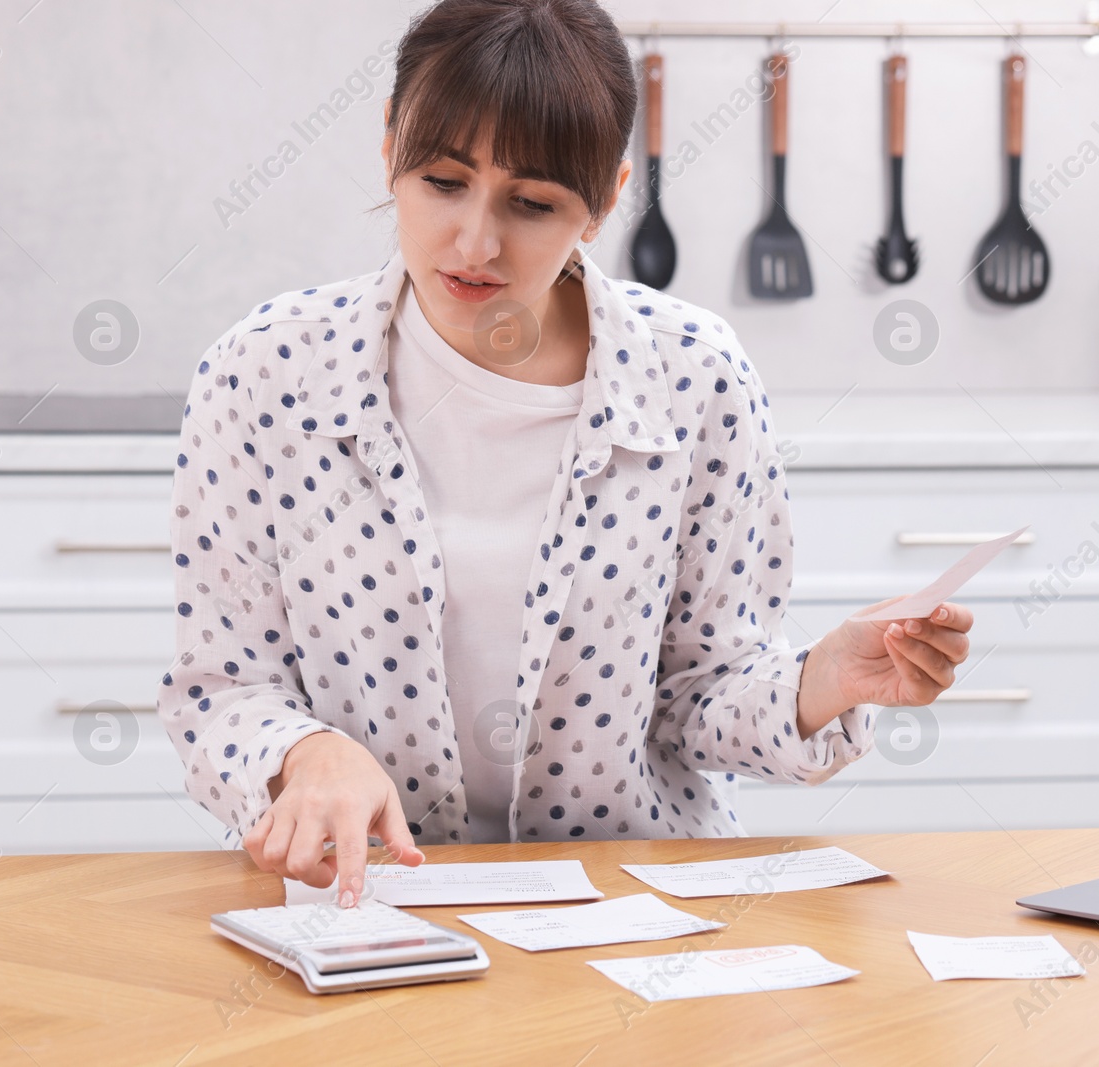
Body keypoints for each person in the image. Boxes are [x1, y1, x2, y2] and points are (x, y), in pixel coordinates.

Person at [157, 0, 974, 909]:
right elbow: (218, 693)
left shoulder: (694, 377)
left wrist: (821, 679)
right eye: (441, 181)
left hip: (632, 906)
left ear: (606, 200)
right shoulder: (264, 371)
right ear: (389, 147)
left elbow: (704, 693)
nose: (475, 242)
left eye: (533, 203)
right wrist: (305, 753)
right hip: (365, 906)